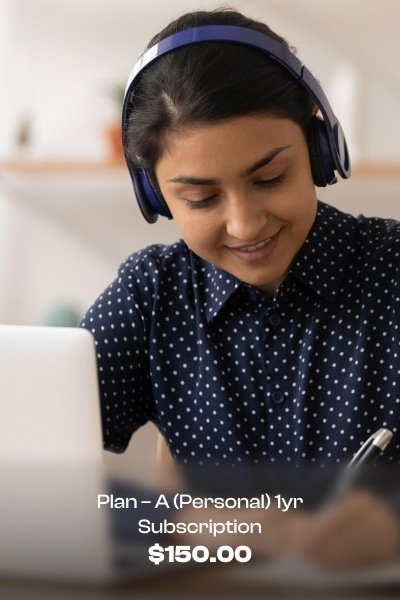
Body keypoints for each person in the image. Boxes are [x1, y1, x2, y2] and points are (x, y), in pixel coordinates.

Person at [80, 8, 400, 568]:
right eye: (201, 199)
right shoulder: (151, 295)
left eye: (271, 178)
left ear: (319, 149)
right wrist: (181, 521)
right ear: (155, 197)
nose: (246, 225)